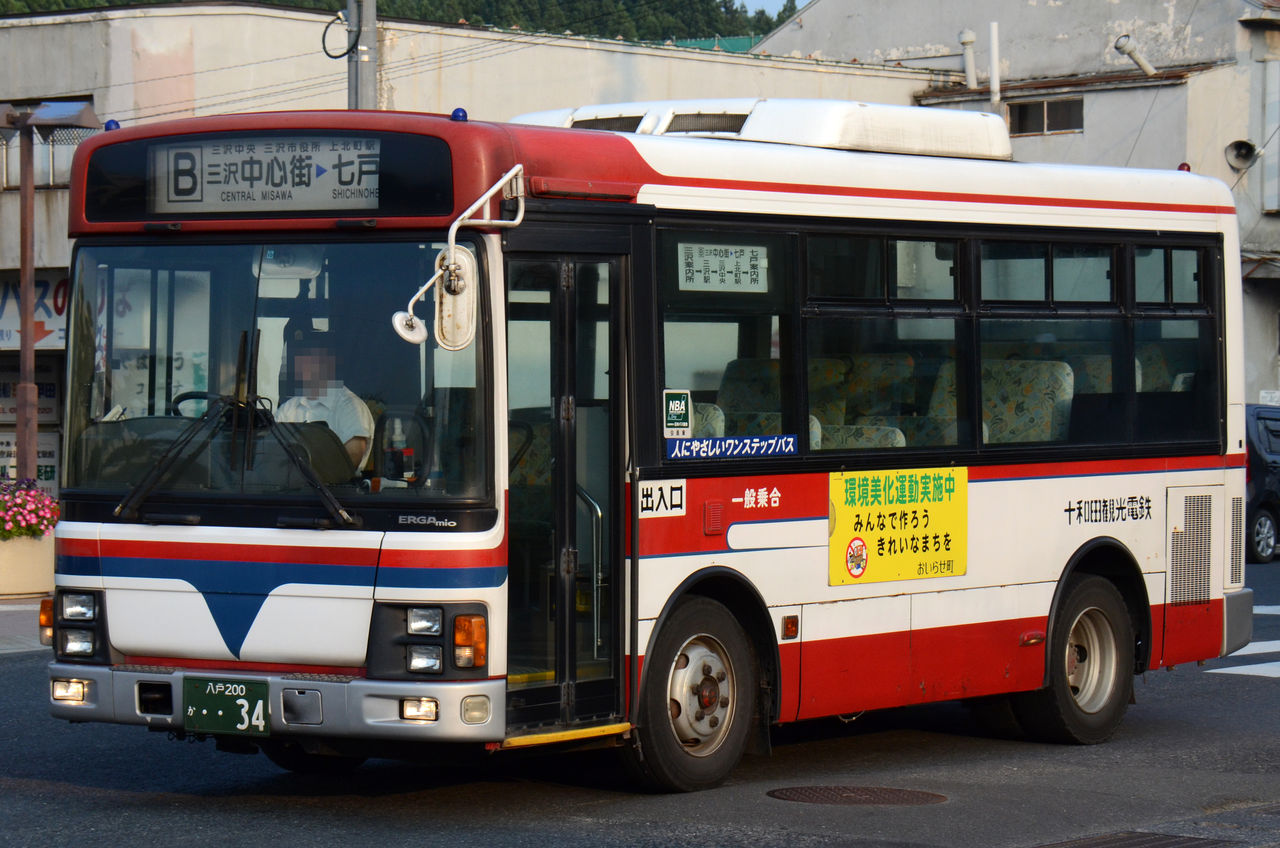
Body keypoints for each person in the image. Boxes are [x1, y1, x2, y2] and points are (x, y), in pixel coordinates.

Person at [276, 340, 374, 470]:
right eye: (301, 360)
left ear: (328, 365)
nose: (305, 366)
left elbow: (353, 454)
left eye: (312, 360)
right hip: (287, 487)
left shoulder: (350, 406)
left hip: (334, 488)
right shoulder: (288, 408)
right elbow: (273, 454)